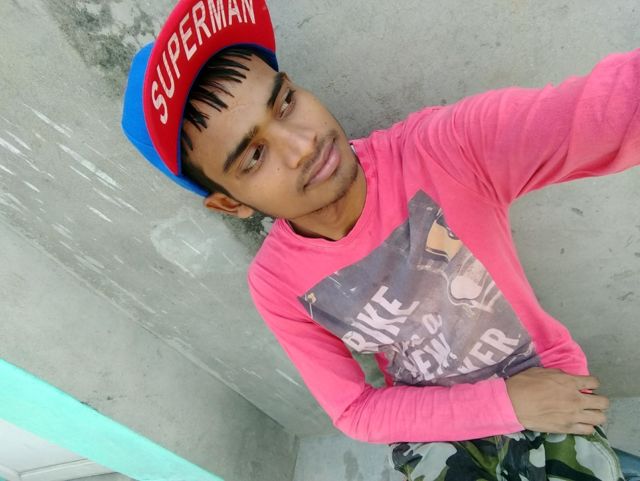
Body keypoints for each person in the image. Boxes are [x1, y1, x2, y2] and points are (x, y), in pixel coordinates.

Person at [121, 1, 640, 479]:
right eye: (254, 156)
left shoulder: (441, 151)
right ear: (230, 203)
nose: (302, 145)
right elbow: (354, 410)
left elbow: (606, 111)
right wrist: (505, 406)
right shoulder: (277, 283)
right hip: (434, 430)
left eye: (285, 103)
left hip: (545, 385)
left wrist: (524, 402)